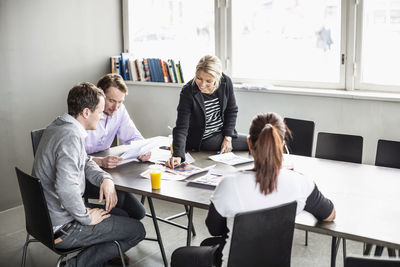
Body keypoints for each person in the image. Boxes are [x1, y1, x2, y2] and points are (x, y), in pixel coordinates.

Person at [174, 112, 336, 267]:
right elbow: (329, 215)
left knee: (180, 255)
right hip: (274, 262)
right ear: (282, 145)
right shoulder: (301, 182)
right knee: (208, 246)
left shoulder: (230, 185)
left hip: (234, 261)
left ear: (249, 144)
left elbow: (214, 228)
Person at [32, 82, 145, 266]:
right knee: (137, 230)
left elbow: (85, 161)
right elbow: (66, 189)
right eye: (99, 112)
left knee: (122, 215)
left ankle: (98, 258)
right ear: (86, 112)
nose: (102, 117)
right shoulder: (70, 137)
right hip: (64, 228)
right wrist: (85, 217)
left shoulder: (59, 125)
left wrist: (105, 178)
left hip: (46, 219)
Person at [84, 73, 147, 222]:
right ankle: (105, 227)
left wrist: (143, 150)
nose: (116, 107)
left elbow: (134, 137)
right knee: (130, 207)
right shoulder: (86, 113)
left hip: (107, 172)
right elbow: (74, 156)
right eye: (111, 100)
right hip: (82, 173)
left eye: (120, 101)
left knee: (138, 212)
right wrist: (99, 161)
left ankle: (115, 227)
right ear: (99, 95)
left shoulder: (119, 110)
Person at [166, 55, 248, 168]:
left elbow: (231, 110)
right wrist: (178, 155)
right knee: (254, 142)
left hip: (222, 132)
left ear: (217, 78)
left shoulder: (226, 82)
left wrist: (227, 137)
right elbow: (181, 126)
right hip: (204, 138)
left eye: (208, 81)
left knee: (256, 140)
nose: (202, 85)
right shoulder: (188, 91)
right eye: (199, 78)